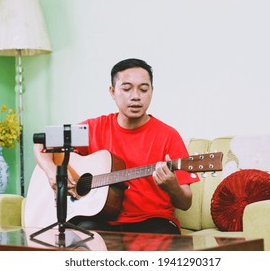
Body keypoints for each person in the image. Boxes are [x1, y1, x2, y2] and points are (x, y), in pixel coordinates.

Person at [34, 58, 199, 234]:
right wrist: (52, 171)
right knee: (79, 236)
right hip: (99, 218)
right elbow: (42, 142)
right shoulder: (94, 128)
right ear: (112, 91)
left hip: (153, 221)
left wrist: (172, 186)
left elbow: (185, 203)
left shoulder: (168, 136)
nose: (135, 96)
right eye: (127, 89)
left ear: (152, 91)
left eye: (143, 89)